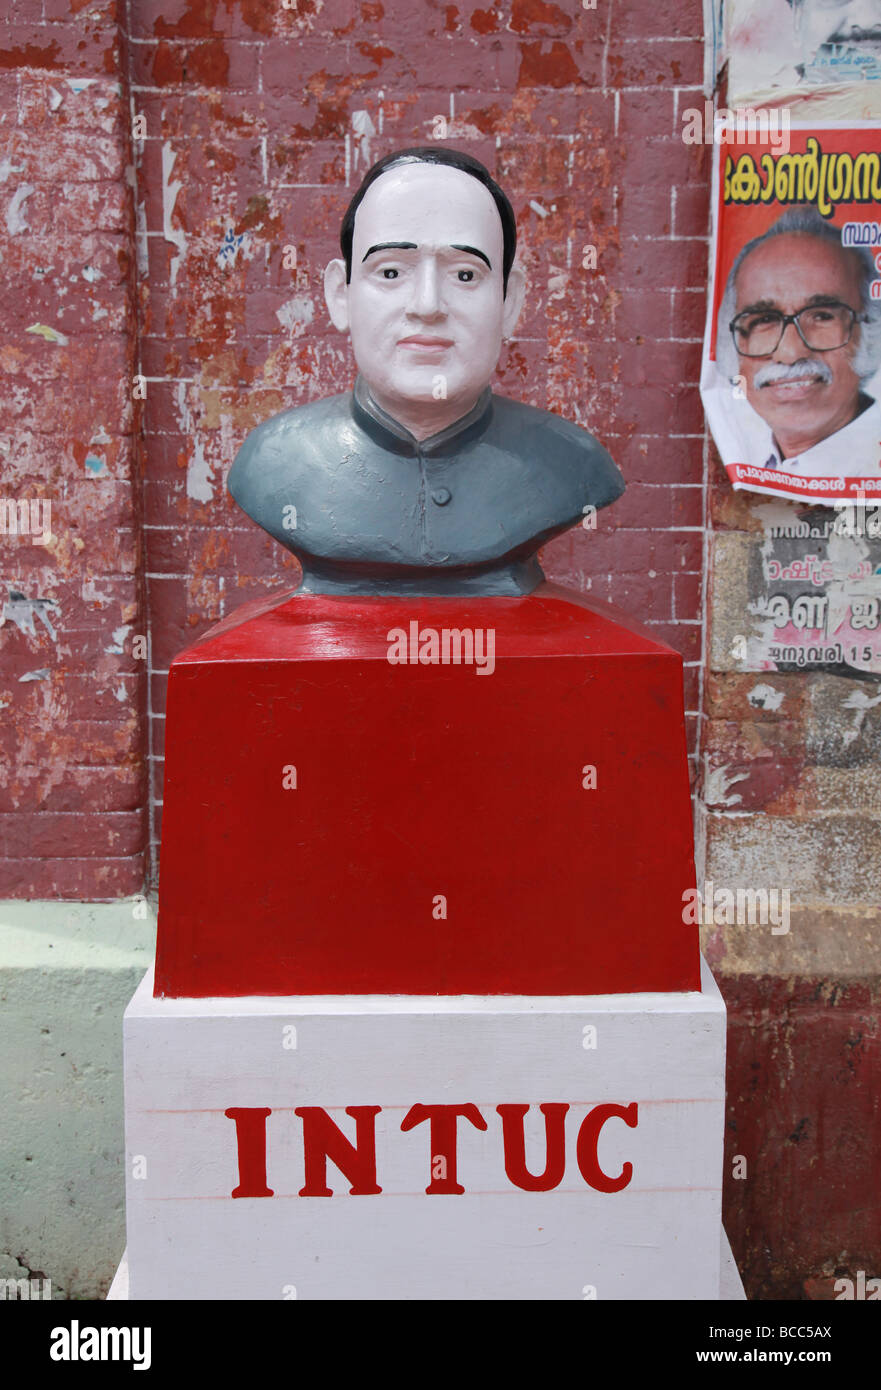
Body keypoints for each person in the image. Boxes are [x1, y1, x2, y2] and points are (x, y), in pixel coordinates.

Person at [228, 147, 624, 597]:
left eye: (466, 276)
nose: (428, 305)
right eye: (392, 271)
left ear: (509, 302)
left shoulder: (570, 464)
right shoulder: (276, 461)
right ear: (341, 296)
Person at [716, 205, 881, 475]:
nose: (791, 352)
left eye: (822, 316)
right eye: (763, 320)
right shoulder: (747, 459)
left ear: (869, 330)